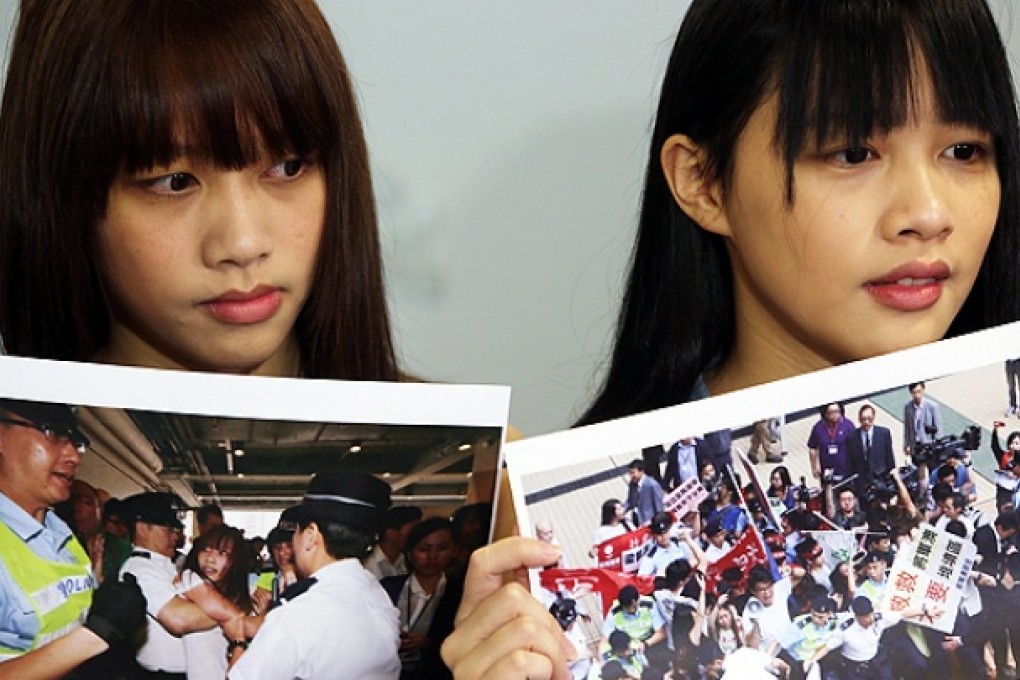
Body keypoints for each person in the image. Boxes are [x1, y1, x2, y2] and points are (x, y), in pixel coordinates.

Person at [442, 0, 1020, 674]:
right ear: (703, 181)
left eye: (964, 151)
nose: (927, 212)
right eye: (852, 151)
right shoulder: (527, 553)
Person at [0, 0, 399, 383]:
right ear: (66, 196)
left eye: (287, 168)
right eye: (176, 182)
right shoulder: (25, 451)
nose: (243, 245)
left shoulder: (453, 448)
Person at [0, 399, 147, 677]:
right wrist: (96, 635)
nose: (75, 457)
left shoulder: (61, 534)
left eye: (75, 441)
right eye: (52, 432)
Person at [228, 466, 400, 678]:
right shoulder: (377, 596)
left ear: (310, 536)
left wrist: (237, 641)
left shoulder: (299, 613)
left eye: (296, 532)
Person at [120, 492, 252, 678]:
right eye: (167, 528)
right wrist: (233, 611)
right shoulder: (139, 569)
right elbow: (180, 619)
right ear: (142, 529)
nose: (175, 535)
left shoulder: (167, 565)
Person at [381, 517, 462, 680]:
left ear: (454, 551)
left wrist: (427, 644)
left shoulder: (459, 593)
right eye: (424, 549)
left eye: (442, 548)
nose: (433, 556)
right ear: (409, 554)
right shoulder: (387, 587)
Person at [181, 524, 254, 680]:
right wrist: (239, 640)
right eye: (206, 549)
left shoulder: (245, 597)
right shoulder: (190, 580)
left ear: (236, 560)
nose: (210, 559)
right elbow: (236, 618)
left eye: (222, 553)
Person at [846, 404, 896, 497]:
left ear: (874, 417)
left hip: (880, 478)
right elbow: (850, 462)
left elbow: (889, 457)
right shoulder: (852, 437)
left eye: (869, 419)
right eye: (863, 419)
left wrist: (890, 479)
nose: (866, 422)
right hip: (861, 481)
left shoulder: (883, 433)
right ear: (859, 419)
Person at [365, 506, 424, 581]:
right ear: (391, 533)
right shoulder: (366, 562)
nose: (417, 537)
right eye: (412, 532)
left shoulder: (409, 562)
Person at [903, 382, 944, 490]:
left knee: (931, 471)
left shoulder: (932, 406)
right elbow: (907, 427)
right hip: (915, 445)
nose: (917, 395)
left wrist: (937, 446)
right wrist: (906, 444)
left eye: (919, 392)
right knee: (918, 472)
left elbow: (938, 427)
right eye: (914, 392)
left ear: (923, 390)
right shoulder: (908, 407)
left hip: (928, 445)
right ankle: (922, 493)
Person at [623, 459, 664, 526]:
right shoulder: (632, 484)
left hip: (649, 520)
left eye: (633, 473)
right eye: (629, 473)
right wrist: (623, 509)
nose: (631, 476)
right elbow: (630, 500)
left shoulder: (652, 484)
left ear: (641, 471)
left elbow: (659, 506)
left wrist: (659, 521)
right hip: (636, 518)